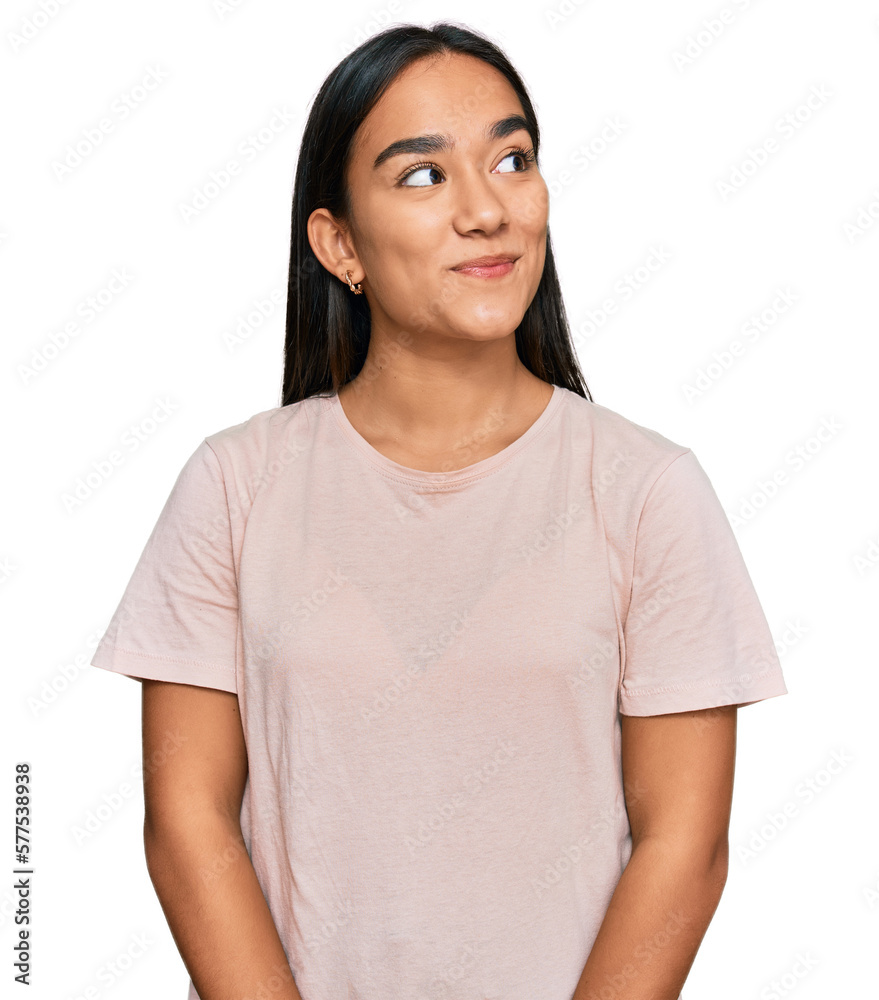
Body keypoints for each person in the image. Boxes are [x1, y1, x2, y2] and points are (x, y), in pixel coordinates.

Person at [90, 21, 788, 1000]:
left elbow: (686, 844)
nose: (487, 210)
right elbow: (186, 822)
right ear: (339, 244)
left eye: (512, 160)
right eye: (423, 176)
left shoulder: (646, 490)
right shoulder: (234, 486)